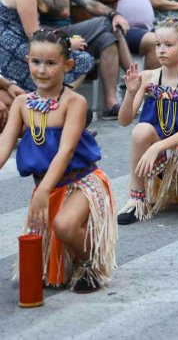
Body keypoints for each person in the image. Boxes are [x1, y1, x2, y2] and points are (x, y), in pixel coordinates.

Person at [0, 28, 116, 292]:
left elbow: (65, 151)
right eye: (36, 62)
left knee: (64, 225)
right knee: (46, 277)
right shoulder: (21, 103)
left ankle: (89, 262)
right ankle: (69, 254)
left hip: (80, 183)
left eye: (51, 63)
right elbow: (4, 145)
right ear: (27, 60)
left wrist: (42, 190)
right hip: (46, 187)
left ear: (68, 65)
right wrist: (43, 190)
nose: (41, 70)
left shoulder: (74, 102)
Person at [116, 19, 178, 225]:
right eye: (158, 45)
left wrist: (158, 147)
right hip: (157, 147)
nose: (161, 50)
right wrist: (130, 93)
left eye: (169, 45)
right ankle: (137, 200)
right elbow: (124, 121)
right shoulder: (147, 77)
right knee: (141, 130)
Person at [42, 0, 131, 117]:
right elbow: (63, 11)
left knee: (108, 39)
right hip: (50, 35)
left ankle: (111, 104)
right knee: (106, 22)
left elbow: (89, 4)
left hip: (68, 32)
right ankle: (137, 77)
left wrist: (114, 14)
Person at [0, 0, 93, 91]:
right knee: (83, 60)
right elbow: (33, 35)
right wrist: (68, 43)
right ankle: (55, 101)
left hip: (13, 49)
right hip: (12, 54)